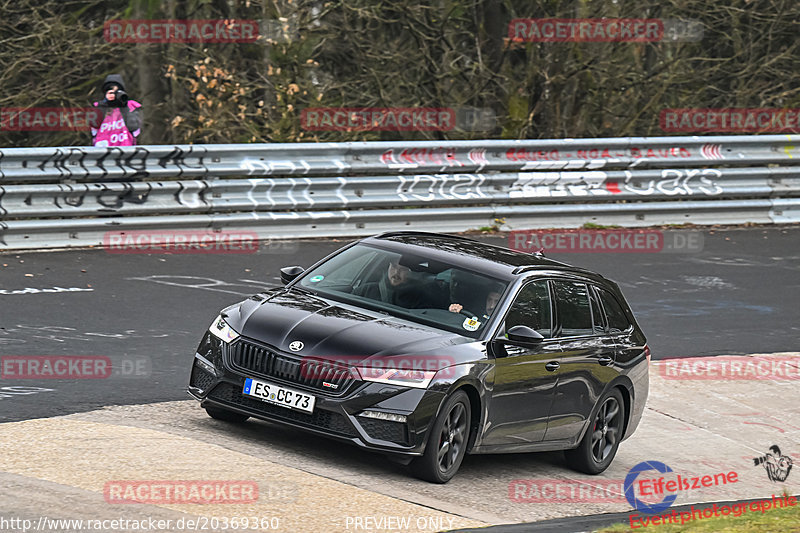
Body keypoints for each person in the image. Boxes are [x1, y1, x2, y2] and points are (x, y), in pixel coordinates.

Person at [90, 74, 142, 147]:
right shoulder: (99, 107)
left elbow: (133, 127)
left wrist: (124, 107)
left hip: (125, 149)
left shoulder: (130, 107)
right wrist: (103, 107)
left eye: (116, 92)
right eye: (109, 91)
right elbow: (94, 126)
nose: (113, 94)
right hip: (102, 151)